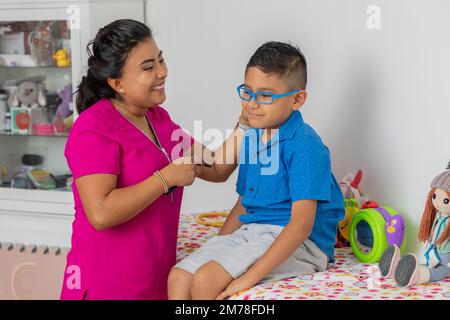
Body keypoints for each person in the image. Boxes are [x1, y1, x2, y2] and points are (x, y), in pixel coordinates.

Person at [60, 19, 249, 300]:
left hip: (154, 281)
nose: (162, 72)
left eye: (161, 60)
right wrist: (166, 178)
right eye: (148, 67)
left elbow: (217, 167)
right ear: (117, 83)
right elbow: (100, 213)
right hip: (107, 285)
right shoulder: (93, 129)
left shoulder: (158, 119)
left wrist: (246, 123)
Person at [168, 41, 345, 300]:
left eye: (265, 96)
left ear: (297, 99)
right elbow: (245, 203)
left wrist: (247, 278)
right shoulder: (253, 136)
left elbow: (300, 225)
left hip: (303, 244)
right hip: (254, 231)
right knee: (178, 277)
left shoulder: (305, 145)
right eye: (247, 92)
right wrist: (218, 246)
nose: (251, 104)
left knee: (206, 280)